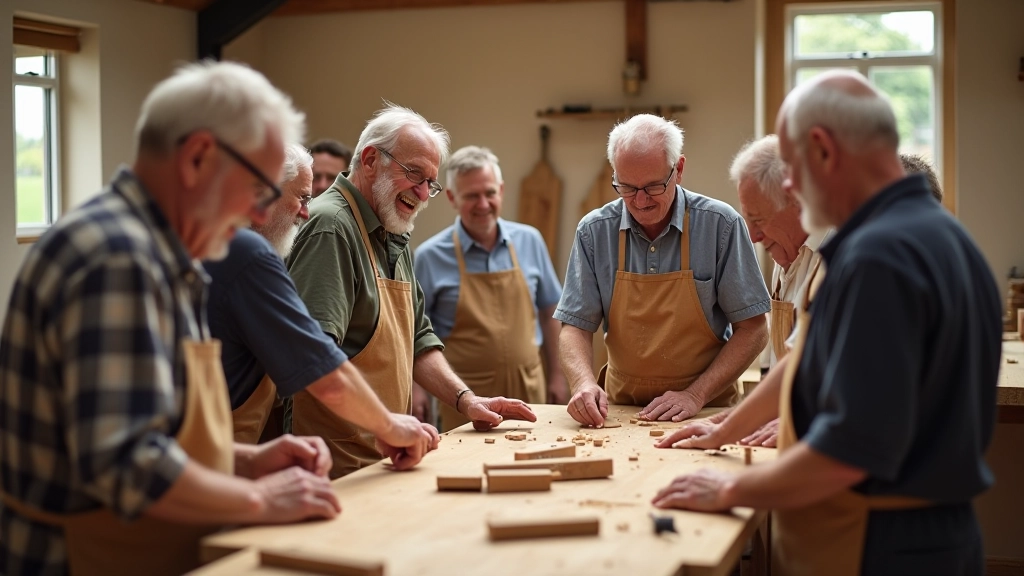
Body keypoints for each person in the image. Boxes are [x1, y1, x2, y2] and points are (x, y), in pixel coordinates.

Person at [0, 61, 343, 575]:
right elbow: (128, 465)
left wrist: (248, 461)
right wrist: (260, 499)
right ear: (199, 157)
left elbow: (151, 430)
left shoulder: (169, 255)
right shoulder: (118, 260)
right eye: (257, 190)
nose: (258, 215)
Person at [653, 70, 1001, 576]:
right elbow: (803, 360)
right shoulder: (940, 235)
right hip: (931, 537)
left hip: (880, 546)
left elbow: (849, 450)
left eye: (792, 169)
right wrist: (726, 428)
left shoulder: (879, 257)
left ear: (823, 149)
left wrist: (728, 488)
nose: (791, 187)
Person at [287, 104, 536, 478]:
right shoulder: (332, 226)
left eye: (430, 183)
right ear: (370, 160)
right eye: (413, 174)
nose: (421, 193)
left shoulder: (392, 231)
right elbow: (315, 359)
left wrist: (466, 400)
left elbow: (419, 339)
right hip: (333, 460)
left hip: (381, 452)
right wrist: (387, 425)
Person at [205, 142, 439, 472]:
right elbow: (320, 367)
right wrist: (389, 426)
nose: (305, 212)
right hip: (205, 476)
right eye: (301, 198)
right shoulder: (248, 253)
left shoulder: (206, 243)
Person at [557, 113, 770, 427]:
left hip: (703, 411)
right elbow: (574, 326)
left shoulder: (720, 227)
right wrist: (582, 383)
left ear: (679, 170)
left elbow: (754, 330)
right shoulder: (594, 231)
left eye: (653, 186)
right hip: (621, 412)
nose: (640, 201)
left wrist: (695, 395)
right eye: (626, 187)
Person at [415, 146, 567, 431]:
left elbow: (550, 312)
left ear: (501, 190)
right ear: (451, 197)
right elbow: (413, 333)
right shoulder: (429, 256)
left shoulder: (530, 240)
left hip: (529, 390)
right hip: (464, 397)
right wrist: (418, 389)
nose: (483, 204)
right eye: (472, 195)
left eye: (489, 193)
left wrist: (558, 375)